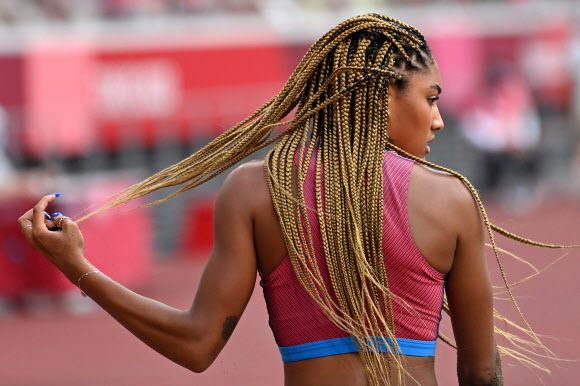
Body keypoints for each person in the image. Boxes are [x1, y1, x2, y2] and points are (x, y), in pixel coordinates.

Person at [17, 14, 572, 386]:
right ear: (382, 97)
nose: (439, 118)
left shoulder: (257, 189)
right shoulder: (452, 200)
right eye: (429, 98)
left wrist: (80, 270)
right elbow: (479, 372)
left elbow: (196, 344)